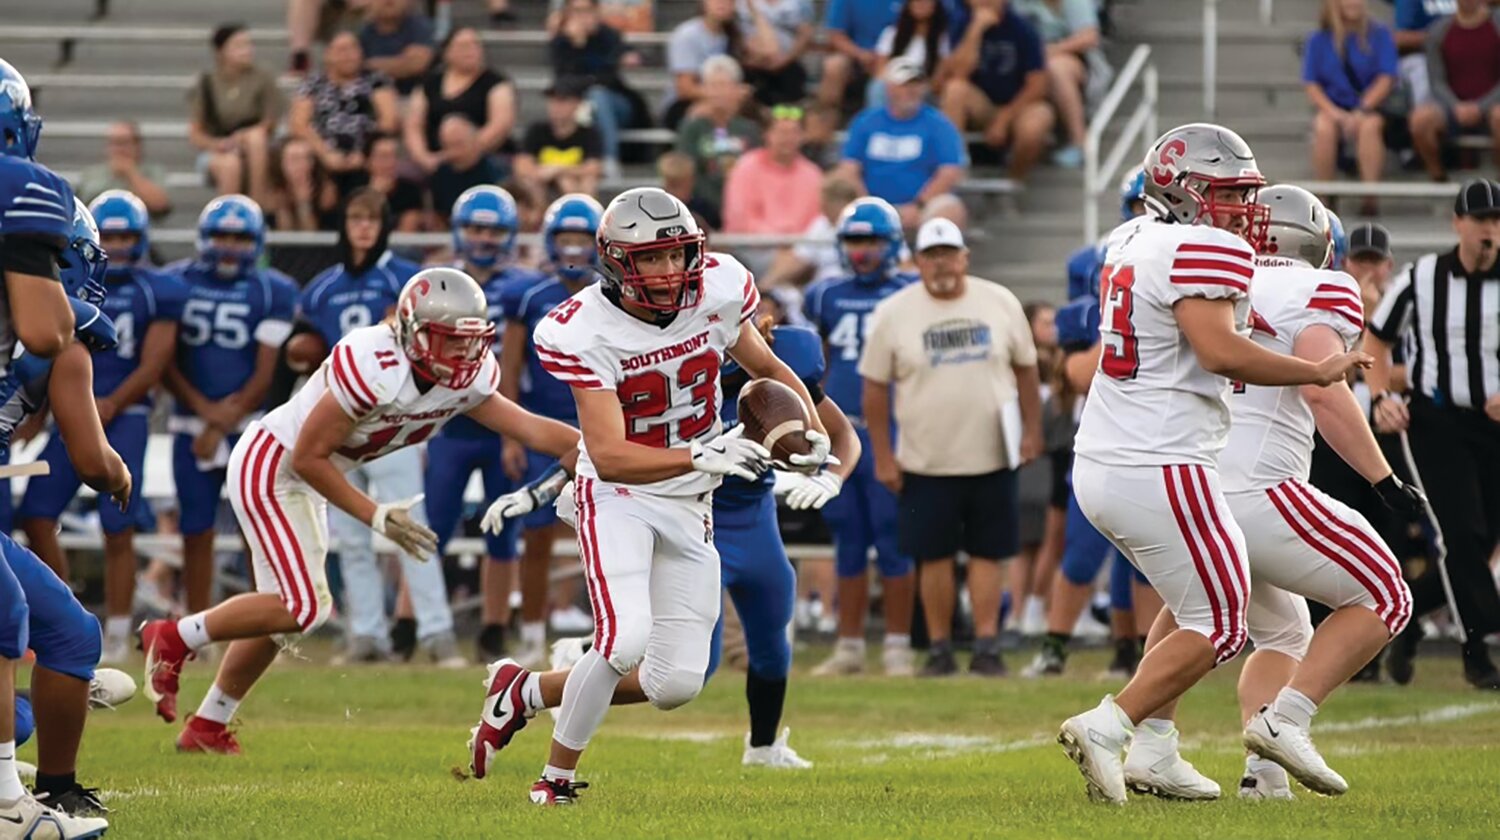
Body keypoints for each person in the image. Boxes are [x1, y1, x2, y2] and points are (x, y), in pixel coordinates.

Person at [464, 187, 836, 805]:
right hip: (618, 493)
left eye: (677, 255)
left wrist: (811, 434)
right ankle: (555, 780)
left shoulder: (717, 291)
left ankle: (522, 692)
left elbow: (767, 370)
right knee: (623, 638)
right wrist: (700, 452)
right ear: (613, 261)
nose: (669, 273)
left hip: (692, 501)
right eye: (651, 259)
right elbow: (607, 452)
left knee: (676, 682)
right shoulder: (585, 328)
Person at [138, 268, 581, 755]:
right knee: (302, 604)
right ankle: (175, 635)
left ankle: (207, 726)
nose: (462, 354)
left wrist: (593, 451)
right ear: (413, 332)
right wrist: (375, 516)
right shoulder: (374, 362)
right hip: (273, 463)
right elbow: (307, 456)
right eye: (448, 340)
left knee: (292, 608)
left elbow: (528, 426)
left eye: (470, 341)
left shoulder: (467, 378)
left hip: (305, 472)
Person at [1054, 123, 1369, 805]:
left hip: (1106, 457)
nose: (1242, 209)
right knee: (1222, 623)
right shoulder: (1201, 246)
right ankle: (1110, 725)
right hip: (1162, 460)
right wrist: (1315, 370)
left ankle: (1156, 751)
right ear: (1182, 189)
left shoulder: (1130, 240)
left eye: (1244, 193)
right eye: (1227, 193)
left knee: (1197, 606)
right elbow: (1220, 352)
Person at [1214, 185, 1419, 800]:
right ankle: (1288, 719)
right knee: (1387, 595)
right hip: (1262, 486)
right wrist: (1383, 479)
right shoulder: (1321, 286)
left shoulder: (1222, 280)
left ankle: (1260, 777)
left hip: (1201, 487)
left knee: (1282, 632)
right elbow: (1324, 390)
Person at [860, 217, 1042, 676]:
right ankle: (939, 646)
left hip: (992, 453)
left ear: (964, 256)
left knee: (988, 553)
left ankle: (986, 643)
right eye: (931, 255)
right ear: (917, 261)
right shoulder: (894, 312)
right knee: (932, 556)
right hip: (925, 459)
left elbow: (1026, 369)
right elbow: (875, 388)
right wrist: (882, 454)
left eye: (948, 253)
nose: (941, 263)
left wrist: (1032, 430)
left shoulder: (998, 301)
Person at [0, 198, 130, 835]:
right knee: (8, 629)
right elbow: (91, 461)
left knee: (68, 635)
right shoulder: (65, 341)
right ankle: (10, 803)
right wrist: (118, 471)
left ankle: (57, 789)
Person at [18, 191, 184, 664]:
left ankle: (110, 627)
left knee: (118, 524)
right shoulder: (52, 306)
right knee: (36, 513)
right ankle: (61, 612)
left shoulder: (156, 290)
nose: (117, 245)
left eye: (125, 236)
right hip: (77, 410)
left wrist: (110, 401)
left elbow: (156, 362)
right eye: (107, 237)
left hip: (119, 414)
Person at [294, 189, 459, 665]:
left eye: (371, 218)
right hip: (338, 423)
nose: (363, 227)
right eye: (355, 217)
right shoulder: (323, 287)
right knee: (349, 533)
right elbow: (303, 344)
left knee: (410, 525)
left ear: (384, 224)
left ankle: (437, 631)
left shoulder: (406, 279)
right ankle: (365, 632)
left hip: (393, 422)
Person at [1366, 178, 1500, 689]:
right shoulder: (1423, 278)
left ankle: (1407, 619)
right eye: (1481, 219)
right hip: (1438, 422)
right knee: (1461, 534)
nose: (1490, 230)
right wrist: (1382, 398)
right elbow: (1375, 342)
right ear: (1458, 224)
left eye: (1497, 220)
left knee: (1481, 543)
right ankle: (1477, 650)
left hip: (1494, 426)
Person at [425, 186, 546, 664]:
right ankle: (419, 626)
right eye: (476, 227)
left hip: (500, 425)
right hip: (448, 424)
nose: (483, 238)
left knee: (504, 531)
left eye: (494, 229)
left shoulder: (522, 287)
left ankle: (494, 629)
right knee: (431, 528)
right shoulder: (437, 279)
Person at [162, 195, 299, 618]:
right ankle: (196, 626)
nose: (229, 245)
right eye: (222, 235)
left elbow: (264, 376)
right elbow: (163, 362)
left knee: (255, 531)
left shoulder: (272, 289)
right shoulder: (176, 282)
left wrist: (220, 423)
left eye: (240, 237)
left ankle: (258, 627)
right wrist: (205, 412)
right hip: (190, 421)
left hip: (248, 426)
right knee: (195, 528)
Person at [802, 198, 917, 677]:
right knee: (847, 539)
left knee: (895, 541)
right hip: (840, 430)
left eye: (871, 240)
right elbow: (818, 360)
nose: (863, 251)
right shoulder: (824, 294)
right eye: (854, 241)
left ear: (890, 244)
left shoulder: (911, 291)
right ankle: (848, 644)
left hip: (892, 431)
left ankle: (897, 645)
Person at [1020, 293, 1159, 679]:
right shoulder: (1097, 320)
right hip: (1100, 460)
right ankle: (1055, 649)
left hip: (1148, 455)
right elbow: (1079, 373)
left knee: (1141, 565)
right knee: (1081, 557)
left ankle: (1140, 655)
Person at [497, 195, 605, 663]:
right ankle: (532, 636)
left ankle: (606, 635)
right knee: (537, 534)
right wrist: (509, 435)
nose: (576, 249)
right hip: (544, 426)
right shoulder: (530, 298)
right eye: (567, 238)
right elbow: (511, 367)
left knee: (609, 535)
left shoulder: (612, 297)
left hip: (603, 428)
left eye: (583, 239)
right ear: (550, 242)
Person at [837, 57, 968, 229]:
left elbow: (949, 172)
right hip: (870, 203)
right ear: (889, 88)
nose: (911, 90)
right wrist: (868, 205)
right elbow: (849, 168)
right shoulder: (865, 122)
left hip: (920, 206)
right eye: (904, 85)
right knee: (835, 190)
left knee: (950, 209)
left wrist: (918, 205)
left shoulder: (939, 124)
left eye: (916, 84)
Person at [940, 0, 1052, 184]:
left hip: (1017, 106)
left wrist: (1005, 118)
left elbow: (1037, 85)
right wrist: (976, 30)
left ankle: (1014, 181)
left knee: (1039, 119)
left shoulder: (1023, 28)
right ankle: (955, 172)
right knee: (955, 89)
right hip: (981, 105)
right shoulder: (960, 23)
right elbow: (958, 73)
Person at [1303, 0, 1397, 214]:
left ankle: (1370, 198)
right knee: (1323, 127)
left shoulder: (1379, 34)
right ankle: (1325, 198)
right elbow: (1311, 84)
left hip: (1369, 107)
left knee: (1370, 126)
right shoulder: (1318, 39)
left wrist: (1361, 110)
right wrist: (1336, 114)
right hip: (1333, 107)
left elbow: (1386, 78)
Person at [290, 31, 400, 198]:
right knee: (298, 154)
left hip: (366, 154)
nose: (348, 55)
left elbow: (388, 120)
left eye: (353, 49)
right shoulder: (313, 84)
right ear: (327, 55)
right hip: (322, 154)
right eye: (341, 50)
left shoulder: (376, 80)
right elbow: (299, 124)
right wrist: (326, 154)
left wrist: (362, 153)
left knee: (382, 153)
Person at [188, 23, 282, 208]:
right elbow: (196, 134)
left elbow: (270, 121)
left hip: (258, 145)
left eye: (248, 45)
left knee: (255, 138)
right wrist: (220, 144)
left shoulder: (262, 77)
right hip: (220, 147)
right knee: (230, 165)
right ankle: (229, 219)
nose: (247, 50)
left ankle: (256, 204)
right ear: (221, 51)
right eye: (239, 46)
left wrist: (243, 137)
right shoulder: (207, 82)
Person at [1408, 0, 1500, 181]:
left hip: (1493, 104)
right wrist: (1456, 106)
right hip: (1451, 107)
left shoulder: (1497, 25)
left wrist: (1480, 107)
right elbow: (1436, 80)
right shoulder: (1438, 31)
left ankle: (1497, 181)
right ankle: (1438, 177)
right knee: (1420, 120)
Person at [404, 27, 518, 173]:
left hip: (484, 156)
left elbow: (499, 125)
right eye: (463, 46)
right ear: (447, 52)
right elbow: (413, 126)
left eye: (475, 45)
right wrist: (423, 156)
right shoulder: (429, 83)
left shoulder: (496, 83)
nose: (470, 51)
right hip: (433, 158)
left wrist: (462, 153)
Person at [551, 0, 646, 174]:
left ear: (597, 11)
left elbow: (609, 77)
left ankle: (609, 161)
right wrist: (577, 47)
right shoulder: (562, 42)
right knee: (569, 103)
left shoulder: (609, 36)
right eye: (576, 11)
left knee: (597, 95)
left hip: (615, 106)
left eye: (587, 11)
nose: (582, 17)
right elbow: (564, 82)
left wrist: (588, 78)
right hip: (579, 105)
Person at [1010, 0, 1107, 169]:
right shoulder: (1017, 4)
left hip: (1069, 59)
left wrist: (1053, 50)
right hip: (1024, 62)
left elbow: (1089, 37)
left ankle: (1080, 142)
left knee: (1056, 68)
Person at [675, 56, 762, 225]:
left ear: (737, 90)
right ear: (704, 90)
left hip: (745, 206)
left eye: (724, 86)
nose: (718, 93)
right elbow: (687, 169)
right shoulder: (692, 128)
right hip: (703, 208)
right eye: (713, 86)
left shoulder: (750, 129)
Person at [722, 105, 824, 237]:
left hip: (802, 247)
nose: (787, 138)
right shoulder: (745, 167)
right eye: (781, 132)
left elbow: (818, 221)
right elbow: (739, 218)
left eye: (794, 132)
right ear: (767, 134)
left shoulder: (813, 175)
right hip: (753, 244)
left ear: (802, 136)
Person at [764, 174, 865, 288]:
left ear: (841, 203)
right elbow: (799, 260)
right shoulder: (821, 224)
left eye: (826, 203)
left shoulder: (863, 226)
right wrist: (766, 284)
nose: (822, 208)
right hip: (825, 287)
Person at [515, 77, 605, 200]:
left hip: (574, 183)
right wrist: (541, 174)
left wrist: (558, 170)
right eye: (552, 100)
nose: (556, 106)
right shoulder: (537, 131)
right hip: (542, 183)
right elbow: (522, 164)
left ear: (577, 103)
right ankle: (539, 215)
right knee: (530, 182)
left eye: (562, 100)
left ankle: (579, 213)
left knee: (583, 182)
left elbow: (594, 168)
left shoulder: (589, 133)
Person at [664, 0, 739, 128]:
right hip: (684, 103)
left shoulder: (735, 35)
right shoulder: (687, 35)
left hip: (726, 99)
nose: (722, 3)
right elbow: (685, 88)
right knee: (708, 112)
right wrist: (723, 95)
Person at [819, 0, 904, 112]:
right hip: (857, 56)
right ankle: (826, 120)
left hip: (897, 55)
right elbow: (836, 35)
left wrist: (883, 58)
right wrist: (860, 54)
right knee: (834, 66)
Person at [73, 121, 171, 217]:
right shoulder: (92, 173)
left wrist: (131, 173)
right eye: (114, 143)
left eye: (124, 143)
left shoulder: (153, 172)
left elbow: (160, 205)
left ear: (137, 146)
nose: (119, 149)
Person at [870, 0, 950, 106]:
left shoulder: (941, 39)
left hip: (924, 91)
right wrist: (899, 86)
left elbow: (938, 78)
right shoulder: (891, 34)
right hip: (894, 85)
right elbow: (880, 71)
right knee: (878, 86)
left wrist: (915, 87)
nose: (921, 5)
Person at [737, 0, 816, 107]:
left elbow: (805, 34)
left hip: (787, 63)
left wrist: (786, 59)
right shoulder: (739, 3)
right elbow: (733, 30)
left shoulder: (800, 3)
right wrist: (751, 57)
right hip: (748, 63)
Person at [428, 116, 506, 223]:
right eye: (447, 146)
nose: (454, 153)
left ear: (474, 141)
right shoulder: (441, 174)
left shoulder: (495, 171)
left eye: (458, 145)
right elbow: (439, 215)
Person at [359, 0, 436, 95]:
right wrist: (400, 61)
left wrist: (367, 65)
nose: (389, 1)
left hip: (413, 97)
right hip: (370, 97)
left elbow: (416, 65)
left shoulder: (419, 26)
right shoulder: (364, 32)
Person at [265, 136, 340, 232]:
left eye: (308, 158)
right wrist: (283, 208)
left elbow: (311, 237)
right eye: (294, 159)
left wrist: (304, 204)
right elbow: (284, 237)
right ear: (280, 163)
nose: (303, 165)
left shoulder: (325, 190)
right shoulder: (272, 189)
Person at [365, 133, 425, 232]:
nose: (390, 163)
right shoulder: (355, 189)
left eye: (394, 156)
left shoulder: (410, 190)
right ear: (368, 161)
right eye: (384, 156)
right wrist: (374, 195)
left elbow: (406, 234)